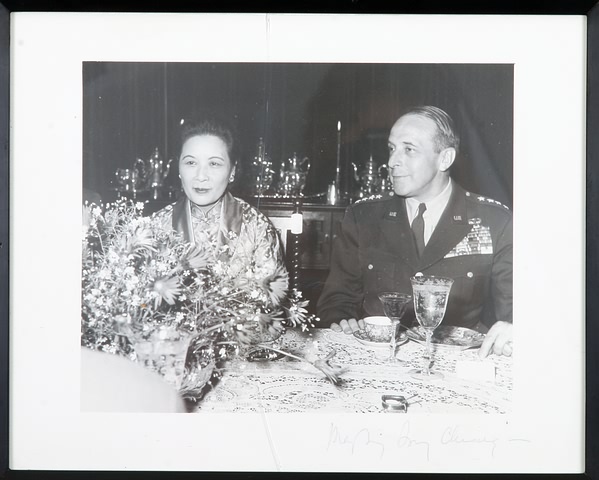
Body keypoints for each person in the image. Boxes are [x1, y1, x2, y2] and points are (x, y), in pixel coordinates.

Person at [317, 106, 512, 358]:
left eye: (409, 149)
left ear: (445, 159)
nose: (391, 162)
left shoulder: (494, 222)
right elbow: (336, 301)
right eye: (391, 148)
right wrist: (342, 322)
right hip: (377, 358)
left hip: (457, 362)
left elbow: (515, 311)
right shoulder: (363, 217)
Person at [153, 114, 286, 286]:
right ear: (178, 168)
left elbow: (270, 302)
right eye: (191, 163)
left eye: (214, 164)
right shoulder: (155, 227)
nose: (201, 176)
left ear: (232, 171)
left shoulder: (257, 227)